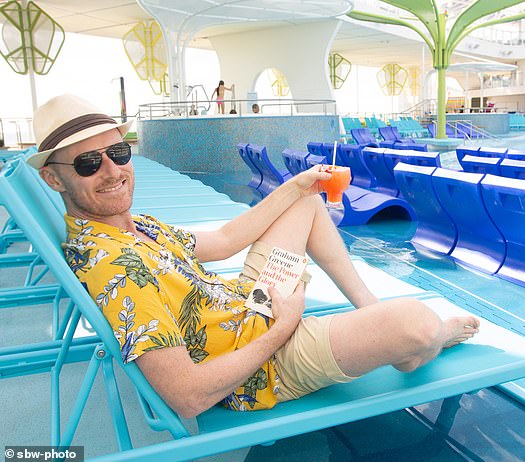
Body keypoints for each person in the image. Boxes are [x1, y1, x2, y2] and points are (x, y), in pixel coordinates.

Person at [30, 94, 480, 417]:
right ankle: (414, 342)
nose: (112, 170)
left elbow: (225, 241)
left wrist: (295, 185)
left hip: (250, 302)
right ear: (54, 179)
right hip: (264, 362)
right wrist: (282, 327)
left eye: (118, 152)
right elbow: (187, 397)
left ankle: (372, 315)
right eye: (90, 163)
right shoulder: (118, 269)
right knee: (415, 323)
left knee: (304, 202)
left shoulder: (133, 226)